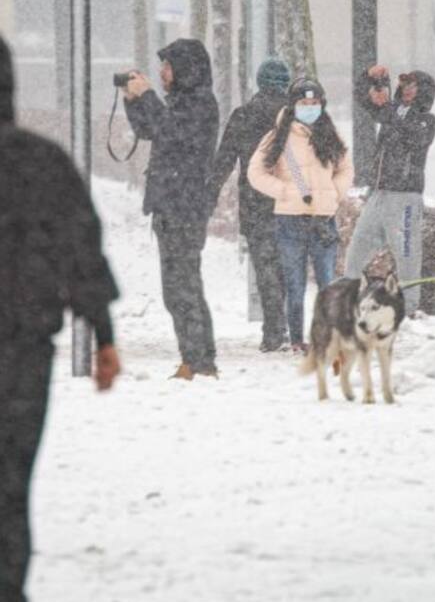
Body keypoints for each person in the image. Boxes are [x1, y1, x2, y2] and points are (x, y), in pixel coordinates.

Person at [0, 35, 121, 602]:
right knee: (9, 494)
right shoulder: (39, 162)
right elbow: (82, 246)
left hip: (20, 347)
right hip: (19, 355)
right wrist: (102, 333)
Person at [123, 38, 220, 380]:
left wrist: (148, 97)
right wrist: (133, 101)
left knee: (182, 288)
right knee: (182, 286)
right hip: (172, 204)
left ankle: (197, 361)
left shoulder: (200, 104)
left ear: (185, 70)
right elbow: (150, 129)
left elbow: (171, 131)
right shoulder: (181, 102)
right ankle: (199, 358)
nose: (162, 73)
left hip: (184, 206)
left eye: (167, 67)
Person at [248, 78, 353, 353]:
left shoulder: (330, 133)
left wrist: (334, 192)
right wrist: (282, 191)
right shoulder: (277, 136)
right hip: (290, 219)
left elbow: (345, 168)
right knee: (294, 285)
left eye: (315, 103)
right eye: (304, 103)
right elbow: (255, 173)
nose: (310, 108)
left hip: (323, 218)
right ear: (293, 106)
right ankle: (296, 339)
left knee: (327, 282)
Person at [207, 57, 292, 352]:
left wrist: (209, 195)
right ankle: (289, 325)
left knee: (265, 265)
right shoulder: (296, 118)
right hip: (290, 201)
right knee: (287, 264)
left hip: (256, 201)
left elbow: (223, 161)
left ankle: (274, 329)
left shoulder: (244, 115)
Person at [344, 66, 435, 303]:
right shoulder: (392, 111)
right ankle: (346, 301)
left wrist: (387, 108)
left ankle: (409, 308)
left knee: (407, 258)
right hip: (379, 194)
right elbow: (362, 99)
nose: (406, 89)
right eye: (403, 84)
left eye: (412, 85)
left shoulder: (427, 121)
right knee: (356, 252)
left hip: (405, 198)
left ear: (423, 91)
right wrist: (370, 78)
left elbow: (411, 135)